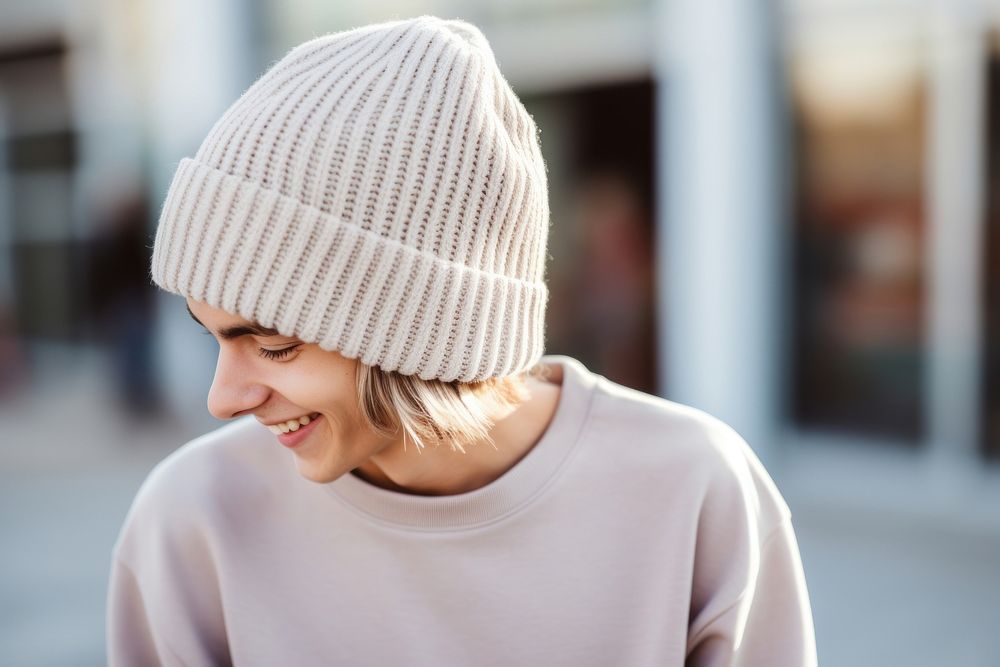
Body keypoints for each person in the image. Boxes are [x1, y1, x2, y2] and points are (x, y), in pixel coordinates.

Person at [107, 15, 816, 666]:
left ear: (413, 325)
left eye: (273, 344)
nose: (222, 398)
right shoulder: (191, 522)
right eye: (214, 337)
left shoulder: (694, 491)